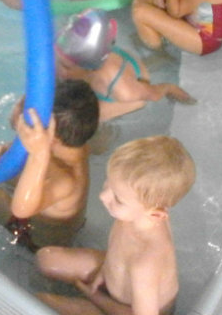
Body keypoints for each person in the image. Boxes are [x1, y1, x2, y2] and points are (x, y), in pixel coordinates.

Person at [36, 135, 196, 315]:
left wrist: (94, 297)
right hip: (114, 275)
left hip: (128, 310)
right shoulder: (137, 211)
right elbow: (117, 250)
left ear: (156, 214)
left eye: (118, 199)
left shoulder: (146, 263)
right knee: (45, 259)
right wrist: (104, 272)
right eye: (108, 183)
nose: (103, 196)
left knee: (40, 302)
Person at [0, 79, 100, 251]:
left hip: (33, 238)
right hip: (46, 210)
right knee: (3, 172)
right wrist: (1, 149)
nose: (19, 108)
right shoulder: (74, 144)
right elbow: (28, 152)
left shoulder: (66, 181)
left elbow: (21, 209)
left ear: (50, 138)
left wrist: (38, 154)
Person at [55, 9, 195, 122]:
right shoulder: (78, 50)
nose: (59, 70)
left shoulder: (124, 90)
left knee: (86, 120)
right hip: (109, 67)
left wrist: (169, 88)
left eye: (66, 67)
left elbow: (153, 95)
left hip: (130, 93)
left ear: (89, 66)